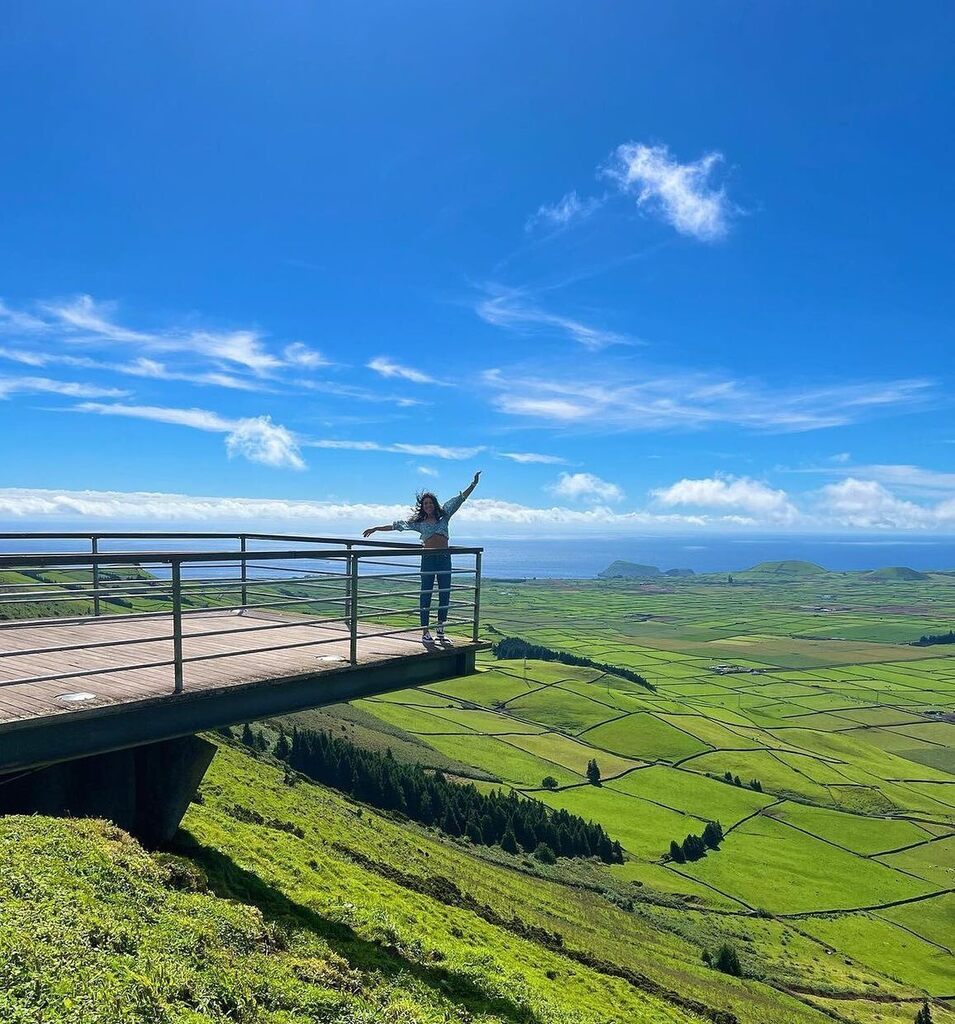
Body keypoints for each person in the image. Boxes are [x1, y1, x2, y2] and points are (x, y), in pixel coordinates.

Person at [363, 471, 481, 644]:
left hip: (444, 558)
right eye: (425, 503)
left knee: (444, 593)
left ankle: (440, 629)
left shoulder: (445, 515)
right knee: (425, 594)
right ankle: (425, 631)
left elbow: (460, 499)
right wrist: (376, 528)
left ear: (434, 504)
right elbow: (397, 526)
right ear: (422, 505)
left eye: (430, 502)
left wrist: (473, 484)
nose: (428, 505)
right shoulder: (418, 523)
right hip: (427, 559)